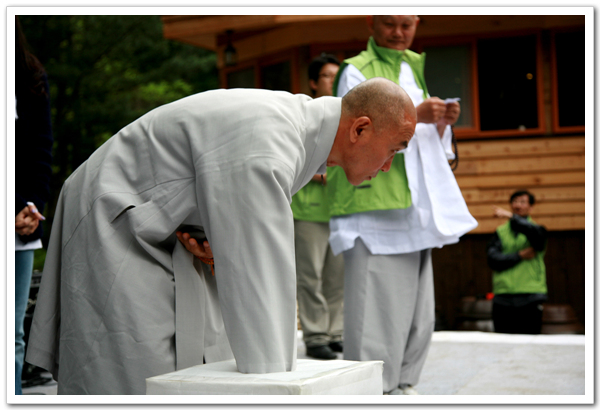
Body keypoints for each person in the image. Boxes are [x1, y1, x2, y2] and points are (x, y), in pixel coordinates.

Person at [26, 77, 417, 394]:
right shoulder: (273, 137)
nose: (388, 167)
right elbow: (259, 273)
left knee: (205, 353)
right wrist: (277, 387)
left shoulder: (293, 127)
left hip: (163, 225)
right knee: (133, 366)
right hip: (114, 216)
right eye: (395, 150)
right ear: (361, 129)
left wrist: (207, 235)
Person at [327, 15, 478, 395]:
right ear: (371, 22)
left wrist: (441, 123)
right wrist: (417, 115)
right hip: (373, 203)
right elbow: (356, 133)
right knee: (374, 312)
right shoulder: (356, 70)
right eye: (390, 24)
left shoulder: (413, 63)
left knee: (416, 312)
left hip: (414, 204)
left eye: (407, 25)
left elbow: (418, 133)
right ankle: (369, 392)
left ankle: (403, 386)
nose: (399, 32)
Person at [292, 53, 345, 360]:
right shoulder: (303, 114)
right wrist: (315, 172)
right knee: (310, 276)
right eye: (327, 76)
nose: (333, 81)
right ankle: (315, 335)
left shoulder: (348, 116)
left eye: (337, 75)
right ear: (313, 82)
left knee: (337, 277)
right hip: (308, 209)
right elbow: (291, 156)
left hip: (341, 209)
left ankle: (336, 331)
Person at [14, 16, 53, 395]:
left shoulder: (28, 75)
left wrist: (27, 207)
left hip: (17, 229)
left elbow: (39, 151)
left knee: (11, 337)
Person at [487, 190, 548, 334]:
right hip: (503, 296)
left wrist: (511, 217)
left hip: (531, 295)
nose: (517, 206)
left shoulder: (538, 230)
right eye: (515, 202)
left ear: (531, 207)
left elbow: (538, 240)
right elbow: (493, 260)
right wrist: (519, 255)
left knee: (530, 343)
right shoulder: (500, 232)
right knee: (503, 344)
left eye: (522, 202)